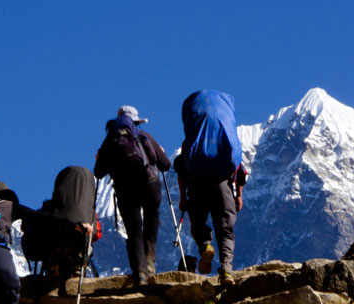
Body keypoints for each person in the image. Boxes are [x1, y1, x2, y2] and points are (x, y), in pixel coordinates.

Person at [176, 90, 248, 286]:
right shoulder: (227, 139)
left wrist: (183, 198)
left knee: (198, 225)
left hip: (197, 184)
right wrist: (239, 197)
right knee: (225, 231)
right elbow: (240, 170)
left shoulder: (191, 142)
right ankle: (226, 270)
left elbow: (181, 171)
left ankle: (205, 246)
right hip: (222, 184)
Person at [94, 105, 171, 285]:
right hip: (150, 184)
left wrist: (100, 157)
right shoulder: (144, 137)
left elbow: (98, 173)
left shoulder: (110, 140)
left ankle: (140, 272)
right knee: (152, 218)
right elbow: (166, 165)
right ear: (136, 122)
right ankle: (150, 261)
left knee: (134, 231)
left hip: (125, 189)